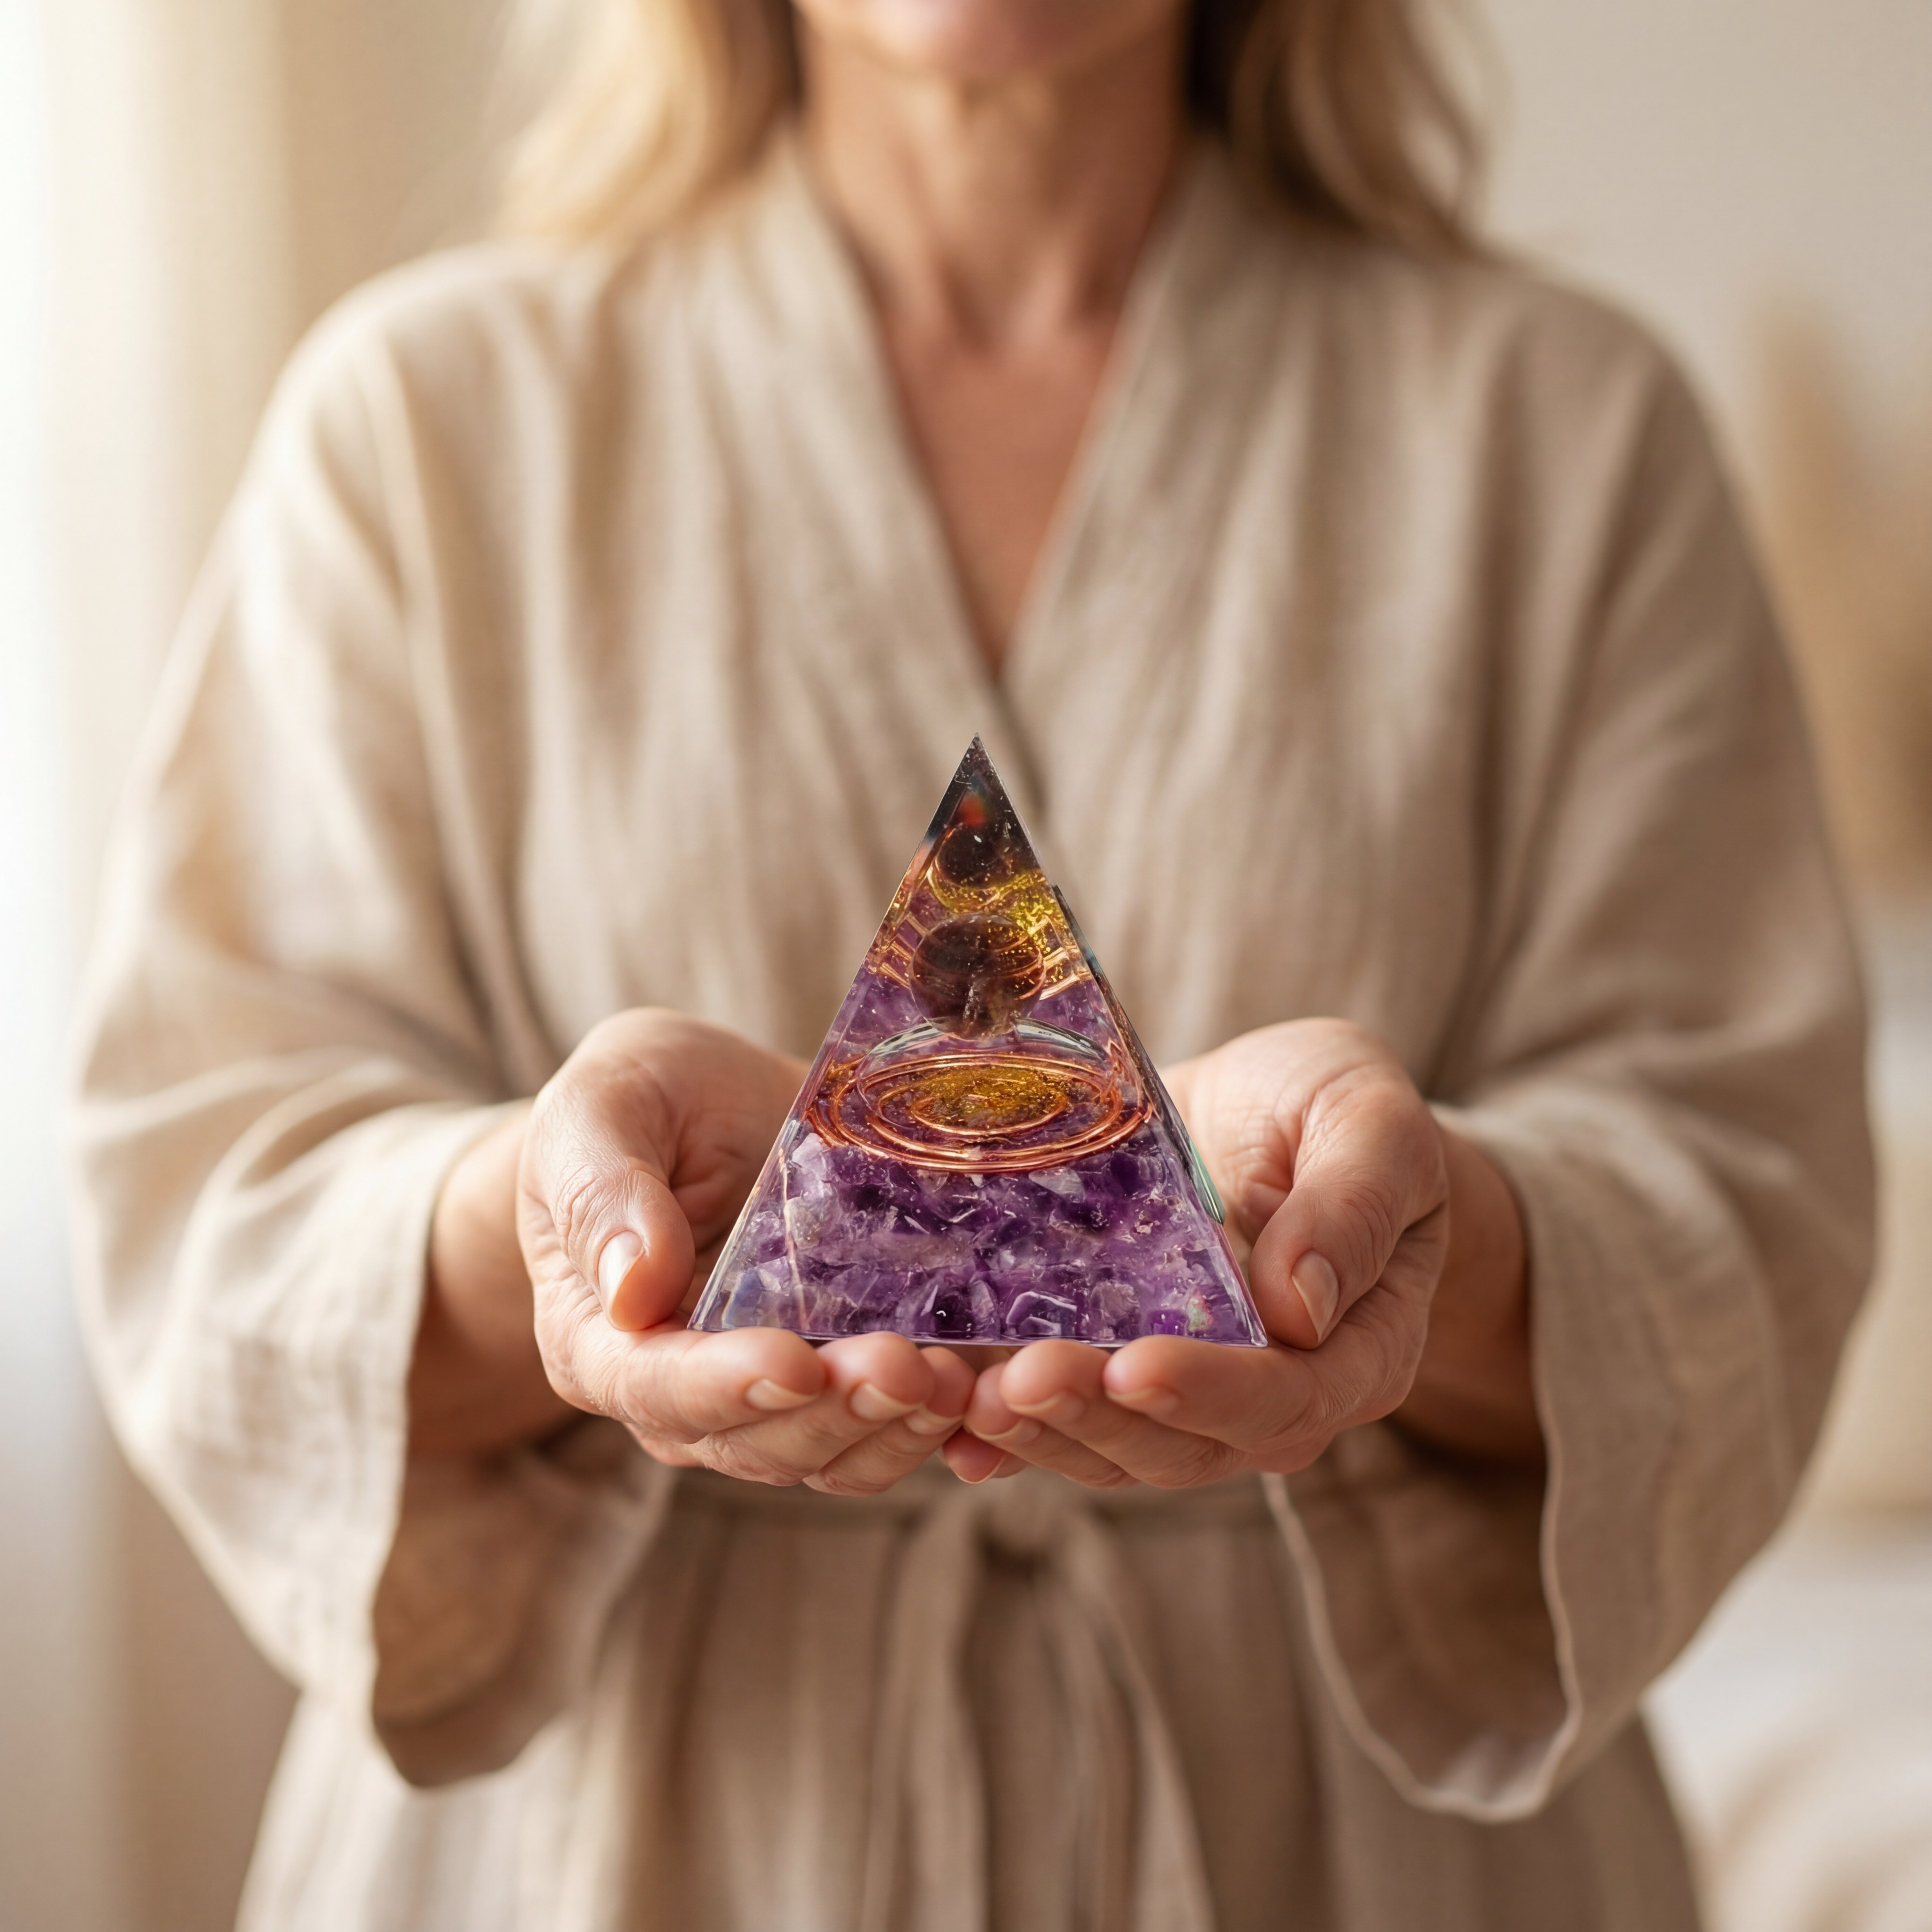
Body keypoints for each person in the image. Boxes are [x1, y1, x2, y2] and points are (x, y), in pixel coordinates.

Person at [69, 0, 1874, 1926]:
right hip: (612, 1855)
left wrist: (1425, 1231)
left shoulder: (1571, 434)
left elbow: (1743, 1211)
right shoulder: (419, 426)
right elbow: (212, 1203)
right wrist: (560, 1221)